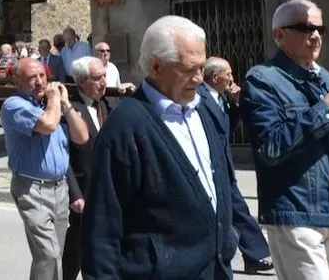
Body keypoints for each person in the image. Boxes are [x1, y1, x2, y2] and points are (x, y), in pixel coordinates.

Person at [81, 16, 236, 280]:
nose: (200, 79)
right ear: (155, 66)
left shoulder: (204, 110)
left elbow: (224, 184)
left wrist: (234, 237)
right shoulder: (125, 127)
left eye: (202, 68)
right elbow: (102, 229)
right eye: (189, 69)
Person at [242, 0, 329, 279]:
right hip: (294, 212)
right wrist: (325, 109)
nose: (315, 35)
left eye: (320, 29)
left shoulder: (328, 80)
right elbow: (271, 147)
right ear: (279, 34)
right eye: (304, 28)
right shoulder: (262, 80)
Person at [1, 58, 89, 280]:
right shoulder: (14, 105)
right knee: (49, 254)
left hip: (60, 189)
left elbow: (82, 136)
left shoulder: (53, 106)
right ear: (17, 80)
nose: (40, 82)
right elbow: (48, 125)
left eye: (42, 75)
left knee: (49, 255)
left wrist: (66, 104)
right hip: (32, 189)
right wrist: (54, 100)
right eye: (32, 77)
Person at [202, 56, 273, 274]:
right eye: (228, 74)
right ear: (215, 77)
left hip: (224, 165)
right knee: (236, 211)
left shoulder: (220, 98)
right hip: (213, 167)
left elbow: (227, 130)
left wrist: (234, 103)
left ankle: (251, 255)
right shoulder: (201, 98)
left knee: (235, 211)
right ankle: (251, 254)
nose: (232, 78)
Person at [61, 56, 108, 280]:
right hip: (84, 188)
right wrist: (75, 193)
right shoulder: (69, 109)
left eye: (105, 76)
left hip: (110, 188)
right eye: (97, 78)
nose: (103, 82)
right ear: (80, 81)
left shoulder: (110, 103)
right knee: (79, 244)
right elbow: (64, 157)